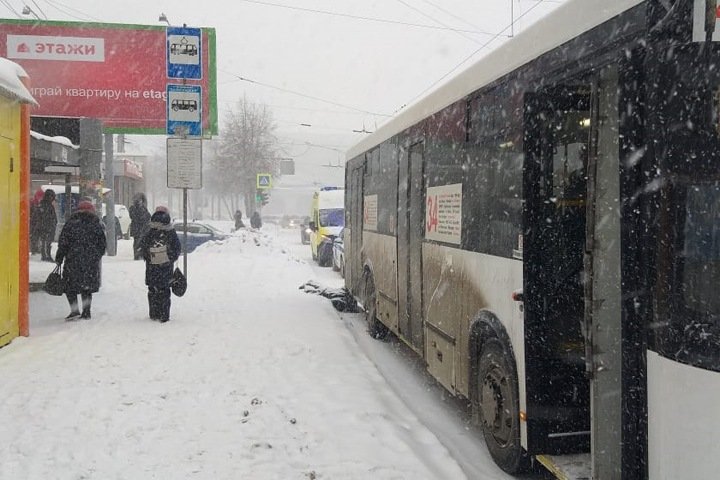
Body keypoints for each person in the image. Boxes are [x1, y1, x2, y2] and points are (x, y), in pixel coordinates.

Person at [55, 200, 106, 320]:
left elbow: (63, 243)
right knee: (86, 287)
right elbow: (102, 244)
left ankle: (74, 310)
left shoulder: (71, 223)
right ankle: (86, 311)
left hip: (72, 260)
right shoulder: (95, 224)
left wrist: (59, 258)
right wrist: (96, 255)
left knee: (70, 286)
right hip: (90, 261)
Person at [139, 206, 181, 323]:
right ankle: (164, 315)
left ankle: (154, 313)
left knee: (152, 290)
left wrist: (149, 258)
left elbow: (143, 246)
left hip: (152, 267)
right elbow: (177, 247)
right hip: (165, 267)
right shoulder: (170, 230)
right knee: (164, 290)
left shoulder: (150, 229)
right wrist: (170, 258)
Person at [36, 189, 58, 261]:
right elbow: (46, 217)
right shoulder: (46, 205)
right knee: (46, 242)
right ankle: (46, 255)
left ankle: (46, 255)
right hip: (46, 227)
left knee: (46, 241)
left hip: (47, 227)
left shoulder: (45, 205)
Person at [129, 193, 151, 260]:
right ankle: (137, 254)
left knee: (139, 241)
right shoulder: (135, 208)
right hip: (139, 228)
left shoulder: (141, 208)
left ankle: (139, 254)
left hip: (140, 228)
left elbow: (147, 217)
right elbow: (144, 217)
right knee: (138, 241)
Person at [29, 188, 45, 254]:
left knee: (35, 236)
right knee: (35, 236)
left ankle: (35, 248)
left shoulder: (34, 203)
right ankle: (35, 248)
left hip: (36, 223)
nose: (40, 198)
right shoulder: (34, 203)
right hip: (35, 223)